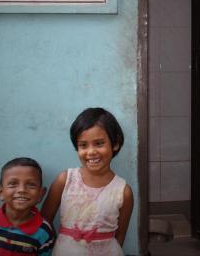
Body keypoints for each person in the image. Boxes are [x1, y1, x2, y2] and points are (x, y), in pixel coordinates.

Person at [41, 107, 134, 256]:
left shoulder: (123, 192)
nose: (91, 152)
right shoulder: (65, 180)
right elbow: (43, 225)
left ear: (115, 144)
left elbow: (120, 236)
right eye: (83, 145)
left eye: (99, 143)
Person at [0, 157, 55, 255]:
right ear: (1, 192)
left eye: (31, 185)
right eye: (13, 184)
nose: (22, 190)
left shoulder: (44, 231)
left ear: (40, 194)